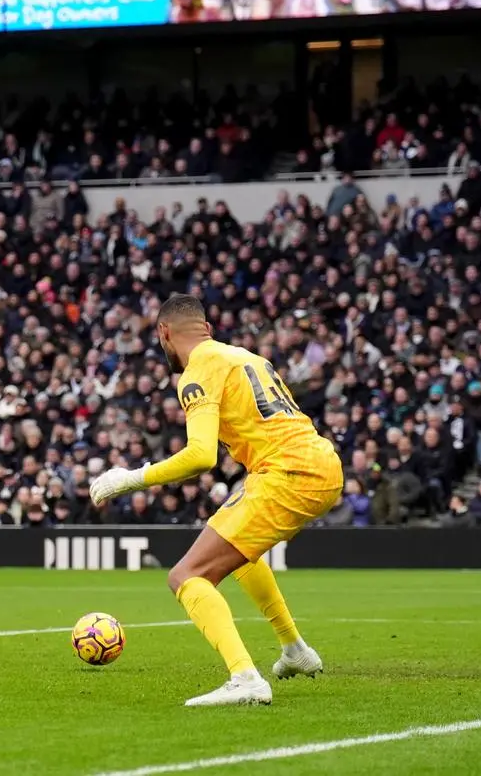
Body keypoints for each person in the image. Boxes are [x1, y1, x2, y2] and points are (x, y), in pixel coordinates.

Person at [89, 294, 343, 707]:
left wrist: (130, 478)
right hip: (320, 464)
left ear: (163, 333)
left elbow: (201, 456)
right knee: (240, 552)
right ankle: (295, 650)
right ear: (205, 328)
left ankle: (245, 677)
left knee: (186, 575)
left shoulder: (197, 371)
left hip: (286, 473)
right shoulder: (243, 356)